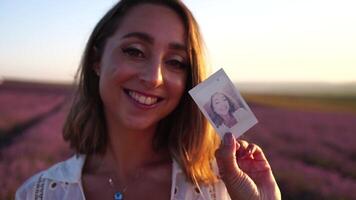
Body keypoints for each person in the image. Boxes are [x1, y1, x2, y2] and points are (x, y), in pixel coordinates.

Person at [16, 0, 281, 199]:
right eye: (135, 51)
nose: (154, 78)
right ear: (97, 60)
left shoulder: (216, 190)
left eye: (176, 62)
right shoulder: (38, 193)